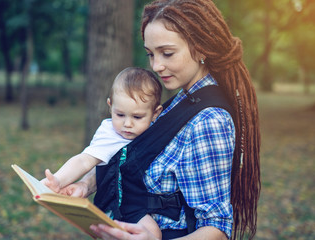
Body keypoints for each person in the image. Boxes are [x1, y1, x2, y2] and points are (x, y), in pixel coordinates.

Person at [62, 0, 261, 239]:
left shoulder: (209, 120)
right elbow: (130, 155)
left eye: (167, 53)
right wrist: (87, 185)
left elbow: (216, 227)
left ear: (200, 48)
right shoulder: (183, 99)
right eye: (150, 54)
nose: (156, 66)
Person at [41, 67, 163, 239]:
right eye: (120, 114)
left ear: (155, 113)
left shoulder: (158, 133)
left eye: (137, 117)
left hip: (138, 206)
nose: (127, 124)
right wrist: (59, 180)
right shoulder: (109, 133)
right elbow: (84, 160)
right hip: (109, 204)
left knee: (153, 233)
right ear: (110, 106)